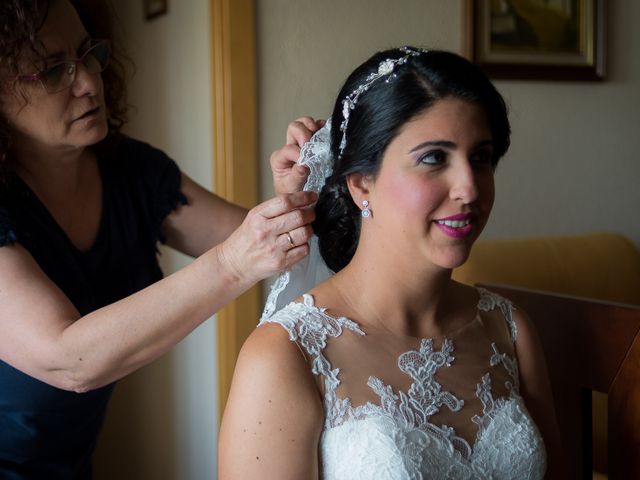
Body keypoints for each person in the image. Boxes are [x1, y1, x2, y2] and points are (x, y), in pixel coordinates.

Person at [0, 0, 322, 478]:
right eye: (52, 71)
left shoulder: (131, 172)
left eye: (88, 54)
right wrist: (232, 264)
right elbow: (67, 360)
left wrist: (297, 193)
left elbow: (272, 246)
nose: (89, 82)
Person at [218, 47, 563, 479]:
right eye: (434, 158)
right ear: (362, 183)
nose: (469, 188)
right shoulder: (286, 355)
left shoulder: (509, 329)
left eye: (481, 157)